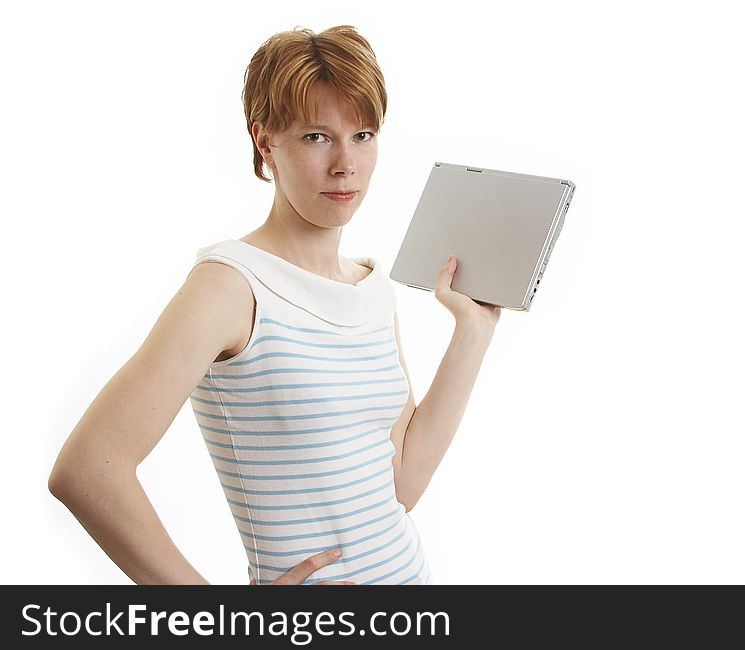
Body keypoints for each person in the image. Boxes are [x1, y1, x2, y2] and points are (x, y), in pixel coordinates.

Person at [48, 25, 500, 585]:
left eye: (363, 135)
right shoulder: (229, 286)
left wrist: (473, 331)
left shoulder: (372, 289)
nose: (346, 164)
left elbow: (401, 484)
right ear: (266, 143)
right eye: (316, 137)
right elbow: (88, 470)